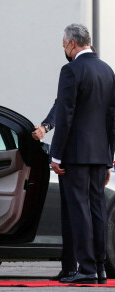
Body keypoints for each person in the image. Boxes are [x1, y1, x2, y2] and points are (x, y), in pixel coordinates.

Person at [50, 24, 115, 284]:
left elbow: (65, 115)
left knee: (79, 210)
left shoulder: (71, 70)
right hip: (100, 154)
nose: (64, 49)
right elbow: (112, 117)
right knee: (97, 209)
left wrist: (56, 155)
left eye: (64, 45)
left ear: (72, 44)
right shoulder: (107, 70)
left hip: (75, 154)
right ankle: (99, 267)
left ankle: (85, 268)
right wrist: (110, 157)